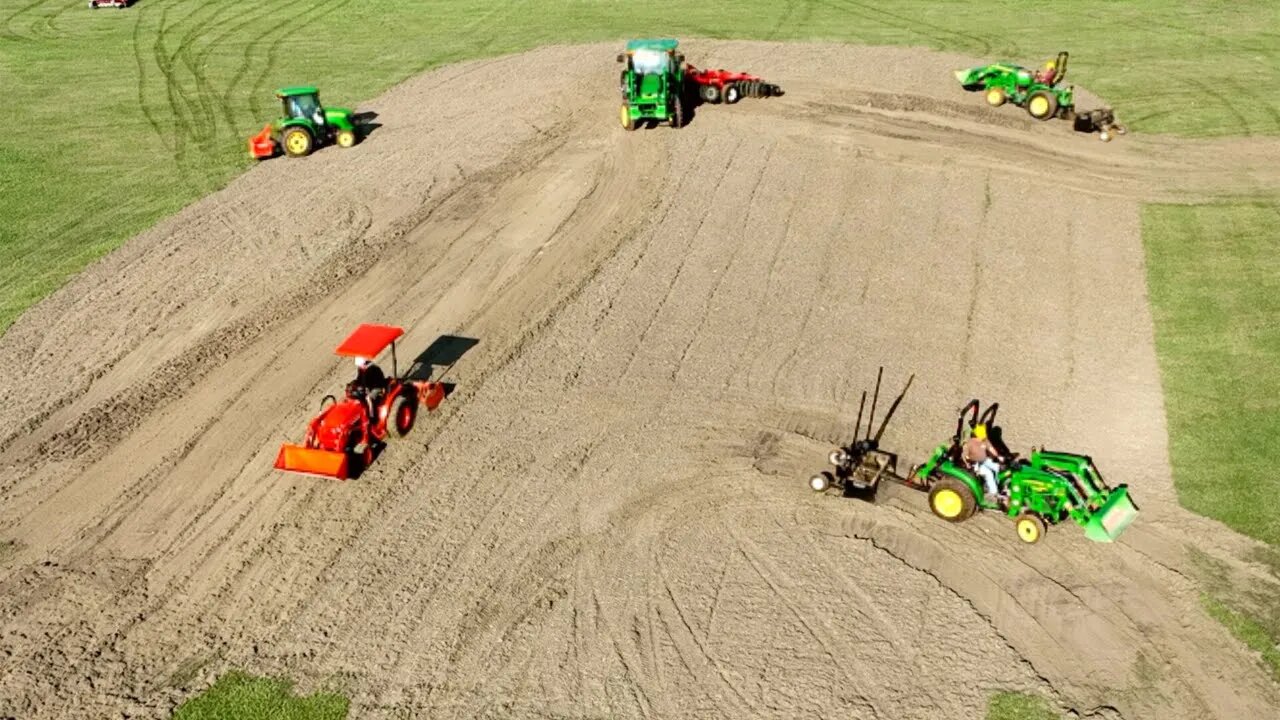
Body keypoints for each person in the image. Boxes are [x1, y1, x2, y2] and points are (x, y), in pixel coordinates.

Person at [962, 423, 1005, 503]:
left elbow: (991, 449)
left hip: (985, 460)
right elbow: (964, 455)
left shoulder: (985, 440)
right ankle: (993, 493)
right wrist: (968, 463)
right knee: (988, 473)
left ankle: (999, 485)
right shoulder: (970, 443)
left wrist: (998, 457)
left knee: (998, 467)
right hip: (975, 464)